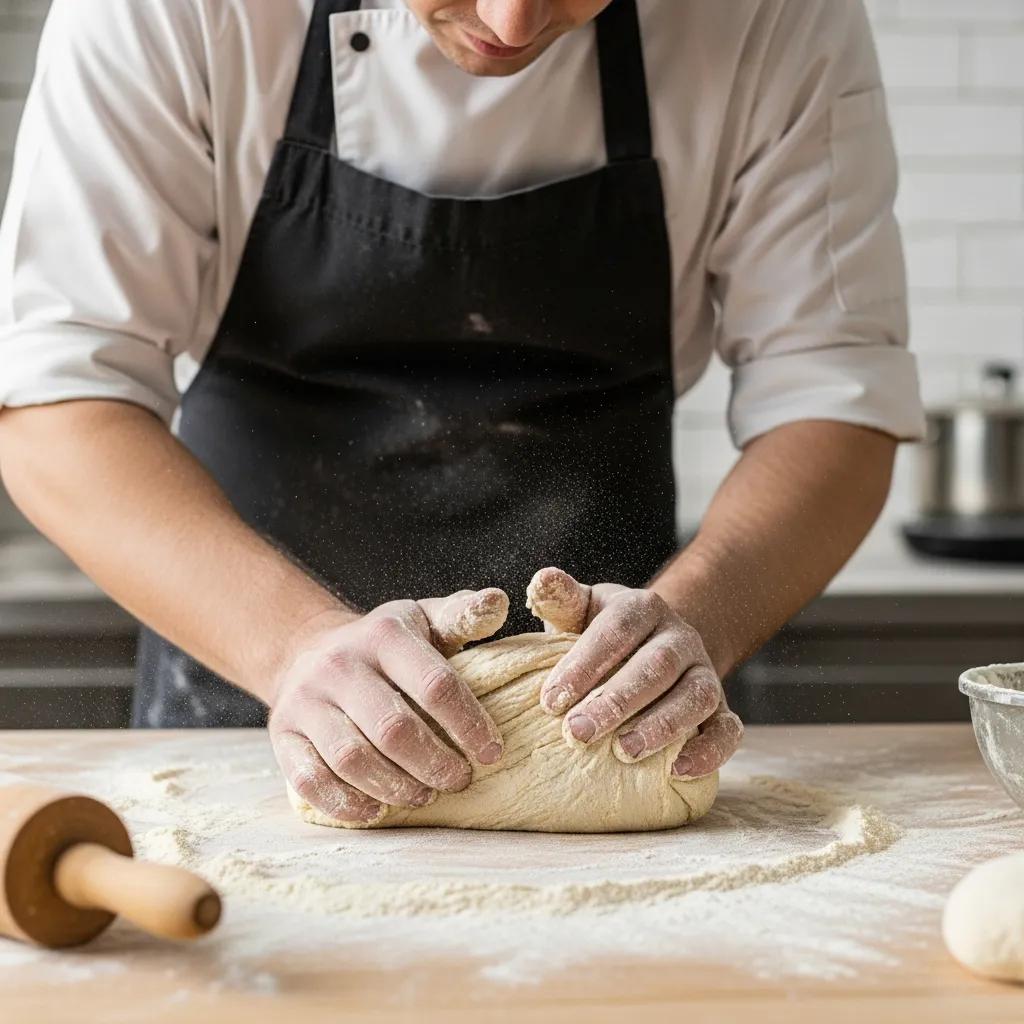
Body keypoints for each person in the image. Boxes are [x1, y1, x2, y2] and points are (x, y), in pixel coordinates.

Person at [0, 0, 924, 826]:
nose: (512, 24)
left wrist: (699, 623)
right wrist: (293, 648)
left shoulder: (773, 16)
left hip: (621, 719)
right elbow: (55, 402)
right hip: (239, 685)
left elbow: (834, 398)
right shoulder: (173, 12)